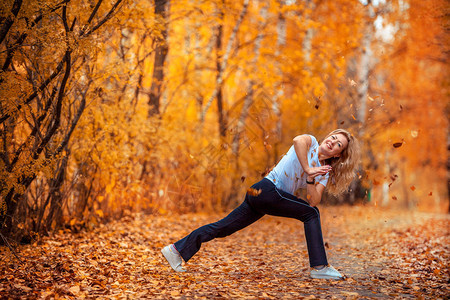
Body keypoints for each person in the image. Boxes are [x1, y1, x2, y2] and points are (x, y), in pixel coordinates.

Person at [162, 129, 360, 279]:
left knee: (223, 228)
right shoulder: (311, 142)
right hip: (266, 189)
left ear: (337, 155)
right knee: (311, 214)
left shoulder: (323, 171)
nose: (333, 142)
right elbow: (297, 140)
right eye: (334, 137)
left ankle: (176, 250)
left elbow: (313, 200)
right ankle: (320, 267)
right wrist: (308, 168)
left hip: (262, 195)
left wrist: (310, 178)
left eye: (338, 145)